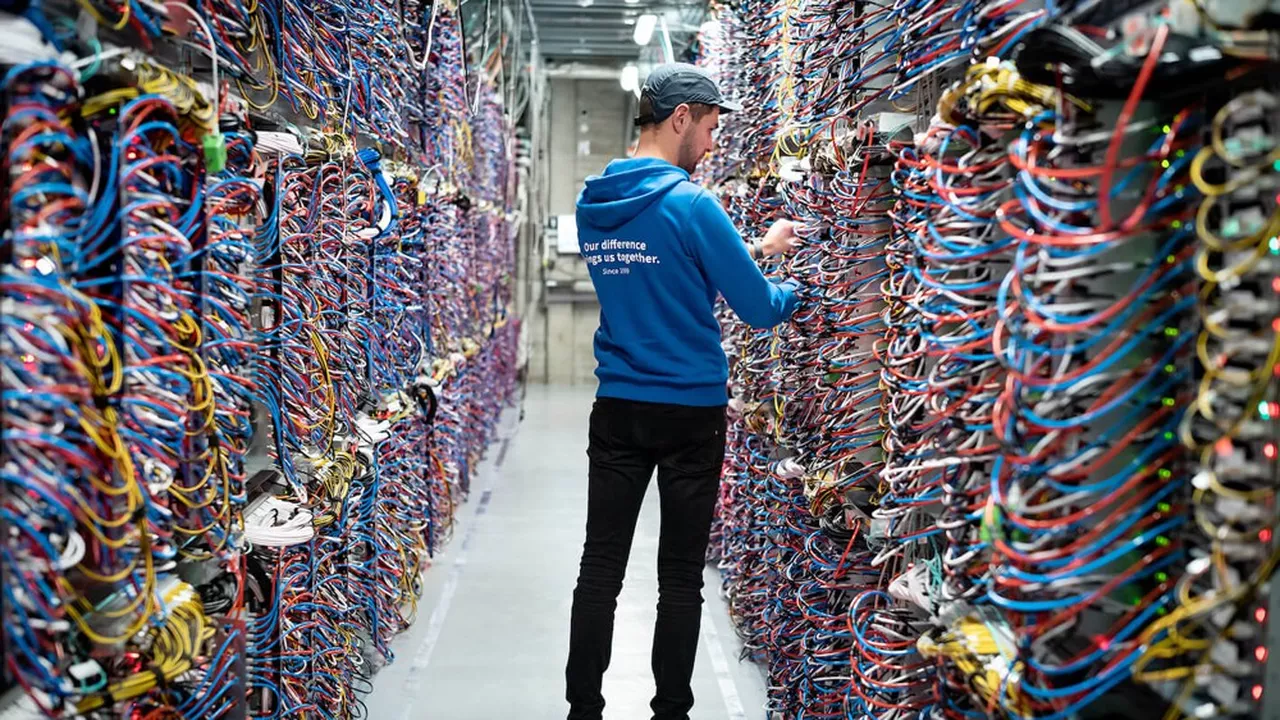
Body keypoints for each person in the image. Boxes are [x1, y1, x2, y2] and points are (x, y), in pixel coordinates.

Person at [566, 62, 801, 720]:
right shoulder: (694, 204)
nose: (713, 142)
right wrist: (799, 290)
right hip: (691, 412)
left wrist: (751, 246)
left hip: (618, 406)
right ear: (680, 119)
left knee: (600, 568)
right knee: (679, 578)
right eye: (710, 126)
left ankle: (583, 708)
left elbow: (668, 268)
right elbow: (755, 308)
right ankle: (671, 709)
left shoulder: (595, 202)